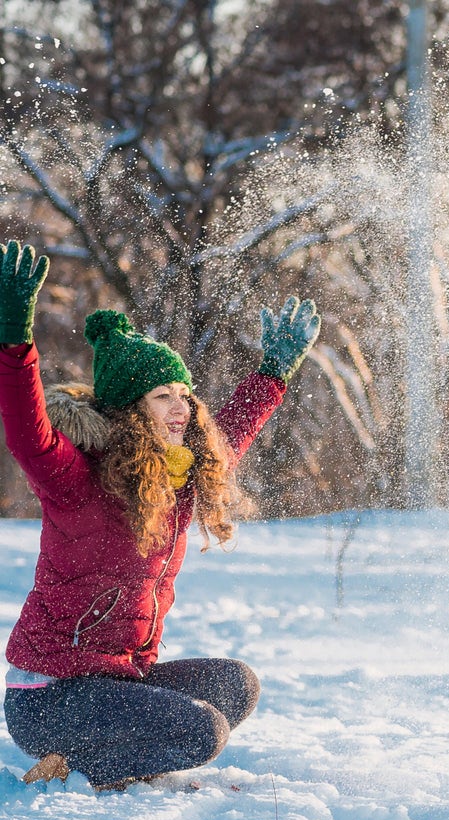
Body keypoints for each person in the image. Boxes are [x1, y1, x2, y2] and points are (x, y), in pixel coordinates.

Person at [0, 239, 321, 790]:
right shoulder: (77, 478)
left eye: (184, 393)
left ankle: (130, 755)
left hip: (120, 678)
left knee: (235, 685)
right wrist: (13, 340)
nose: (182, 407)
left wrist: (273, 373)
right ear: (129, 410)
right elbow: (27, 431)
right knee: (202, 733)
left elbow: (231, 436)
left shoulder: (178, 476)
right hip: (49, 696)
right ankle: (74, 769)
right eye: (161, 396)